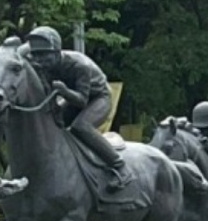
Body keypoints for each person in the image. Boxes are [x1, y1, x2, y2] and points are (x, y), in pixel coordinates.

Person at [22, 26, 128, 191]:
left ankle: (119, 165)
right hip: (70, 97)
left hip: (97, 97)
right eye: (36, 55)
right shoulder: (43, 68)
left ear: (57, 53)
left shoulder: (79, 66)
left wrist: (63, 91)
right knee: (51, 125)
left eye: (44, 55)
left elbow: (81, 101)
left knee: (81, 126)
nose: (40, 60)